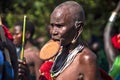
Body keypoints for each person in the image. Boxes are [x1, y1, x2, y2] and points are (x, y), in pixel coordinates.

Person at [39, 1, 113, 80]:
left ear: (78, 28)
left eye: (59, 26)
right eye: (52, 25)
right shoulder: (57, 56)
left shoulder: (86, 59)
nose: (53, 31)